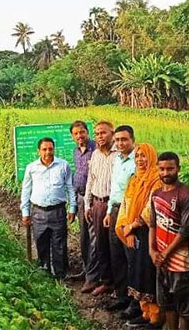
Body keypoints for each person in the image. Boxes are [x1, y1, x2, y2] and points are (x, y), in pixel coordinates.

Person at [116, 143, 164, 329]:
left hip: (148, 232)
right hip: (132, 231)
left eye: (144, 156)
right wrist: (123, 227)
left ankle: (155, 318)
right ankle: (144, 313)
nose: (140, 160)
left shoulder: (156, 180)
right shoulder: (135, 179)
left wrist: (133, 226)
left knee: (147, 273)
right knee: (136, 271)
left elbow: (150, 209)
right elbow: (126, 204)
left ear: (152, 157)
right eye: (137, 156)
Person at [149, 152, 189, 330]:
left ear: (178, 169)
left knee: (185, 306)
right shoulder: (155, 194)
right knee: (167, 303)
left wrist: (165, 253)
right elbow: (152, 224)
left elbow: (185, 230)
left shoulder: (185, 195)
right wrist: (152, 250)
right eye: (162, 169)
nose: (165, 173)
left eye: (170, 168)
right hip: (161, 260)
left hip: (180, 261)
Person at [20, 137, 77, 279]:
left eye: (50, 149)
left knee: (59, 244)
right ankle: (44, 272)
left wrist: (72, 208)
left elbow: (70, 188)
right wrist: (25, 212)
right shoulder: (31, 168)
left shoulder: (63, 166)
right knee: (41, 241)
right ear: (39, 151)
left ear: (54, 149)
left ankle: (60, 274)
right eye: (44, 149)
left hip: (58, 211)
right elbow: (26, 191)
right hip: (38, 212)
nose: (48, 152)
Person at [103, 125, 136, 312]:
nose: (120, 143)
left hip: (129, 213)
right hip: (115, 210)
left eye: (124, 139)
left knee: (130, 256)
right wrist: (109, 212)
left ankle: (134, 301)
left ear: (133, 140)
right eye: (117, 140)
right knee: (117, 256)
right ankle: (122, 295)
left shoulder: (137, 162)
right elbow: (114, 189)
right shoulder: (117, 160)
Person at [82, 121, 117, 295]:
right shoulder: (95, 154)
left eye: (103, 133)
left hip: (113, 205)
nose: (100, 137)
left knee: (114, 246)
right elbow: (91, 180)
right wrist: (87, 205)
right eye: (97, 134)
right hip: (97, 203)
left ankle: (119, 285)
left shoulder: (119, 155)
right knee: (100, 245)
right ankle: (106, 281)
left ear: (112, 133)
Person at [70, 121, 97, 281]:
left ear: (87, 132)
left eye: (82, 132)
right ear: (72, 136)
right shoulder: (76, 152)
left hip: (93, 200)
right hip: (80, 198)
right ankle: (87, 269)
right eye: (76, 133)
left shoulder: (96, 150)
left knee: (94, 237)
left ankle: (93, 276)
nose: (79, 136)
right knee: (84, 236)